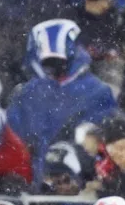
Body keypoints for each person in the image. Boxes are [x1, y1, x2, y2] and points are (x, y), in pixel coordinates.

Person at [7, 18, 117, 184]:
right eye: (48, 63)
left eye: (58, 61)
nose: (53, 68)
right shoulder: (26, 93)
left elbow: (100, 142)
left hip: (78, 182)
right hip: (32, 183)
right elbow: (13, 139)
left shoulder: (98, 92)